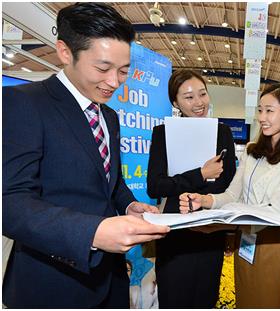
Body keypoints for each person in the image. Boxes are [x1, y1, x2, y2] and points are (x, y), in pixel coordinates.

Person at [2, 3, 169, 308]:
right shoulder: (23, 103)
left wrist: (129, 204)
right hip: (52, 282)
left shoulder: (109, 116)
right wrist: (92, 232)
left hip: (111, 280)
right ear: (65, 52)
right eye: (103, 68)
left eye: (123, 71)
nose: (115, 82)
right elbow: (10, 203)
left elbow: (110, 180)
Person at [179, 84, 280, 308]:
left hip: (274, 245)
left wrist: (223, 220)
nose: (262, 117)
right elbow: (232, 194)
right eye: (260, 110)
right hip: (245, 245)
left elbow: (274, 208)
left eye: (269, 110)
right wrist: (204, 201)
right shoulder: (252, 152)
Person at [146, 69, 236, 308]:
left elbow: (228, 185)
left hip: (211, 229)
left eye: (202, 94)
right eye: (189, 97)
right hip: (175, 230)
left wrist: (229, 233)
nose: (199, 103)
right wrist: (201, 174)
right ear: (175, 102)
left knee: (205, 297)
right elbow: (155, 186)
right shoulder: (162, 133)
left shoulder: (223, 132)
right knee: (174, 297)